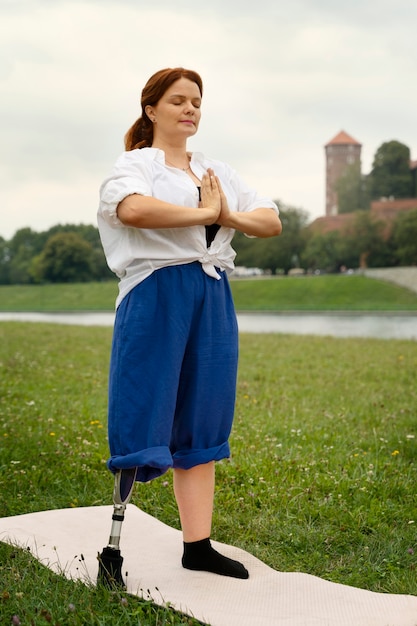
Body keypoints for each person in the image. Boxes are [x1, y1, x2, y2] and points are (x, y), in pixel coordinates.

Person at [97, 67, 282, 580]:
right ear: (151, 109)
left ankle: (197, 546)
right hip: (156, 291)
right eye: (178, 101)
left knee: (205, 415)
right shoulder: (135, 165)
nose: (190, 109)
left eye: (197, 102)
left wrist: (224, 212)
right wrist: (204, 215)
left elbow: (270, 220)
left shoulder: (215, 169)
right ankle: (114, 546)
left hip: (212, 292)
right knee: (143, 408)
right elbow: (132, 210)